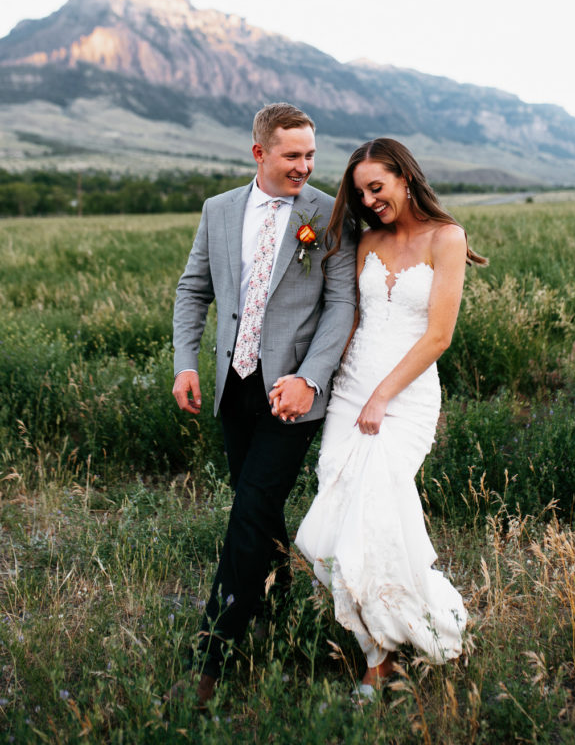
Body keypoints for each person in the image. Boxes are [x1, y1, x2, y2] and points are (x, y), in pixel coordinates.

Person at [170, 102, 356, 706]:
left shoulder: (329, 215)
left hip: (291, 393)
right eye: (292, 155)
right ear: (259, 154)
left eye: (310, 155)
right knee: (260, 517)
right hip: (232, 385)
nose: (304, 166)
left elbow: (342, 307)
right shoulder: (218, 210)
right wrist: (186, 362)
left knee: (249, 512)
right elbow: (192, 287)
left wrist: (310, 378)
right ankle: (283, 628)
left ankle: (210, 659)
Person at [287, 138, 486, 696]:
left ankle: (381, 661)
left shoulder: (447, 238)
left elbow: (439, 335)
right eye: (360, 192)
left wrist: (382, 397)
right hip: (349, 393)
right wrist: (316, 380)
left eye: (377, 187)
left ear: (404, 177)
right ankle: (387, 638)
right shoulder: (365, 240)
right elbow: (346, 319)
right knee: (324, 531)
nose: (370, 200)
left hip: (404, 401)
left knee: (374, 519)